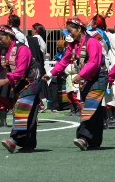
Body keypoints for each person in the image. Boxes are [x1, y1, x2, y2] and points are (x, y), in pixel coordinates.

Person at [45, 17, 108, 151]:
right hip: (87, 79)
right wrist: (50, 73)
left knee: (89, 107)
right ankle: (95, 141)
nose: (69, 34)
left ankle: (83, 137)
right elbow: (64, 61)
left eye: (70, 31)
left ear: (79, 29)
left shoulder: (92, 42)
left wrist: (80, 75)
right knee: (95, 111)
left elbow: (94, 62)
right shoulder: (73, 45)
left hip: (98, 78)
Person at [0, 25, 42, 153]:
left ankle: (13, 140)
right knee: (27, 113)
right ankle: (27, 144)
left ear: (9, 36)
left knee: (21, 109)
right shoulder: (2, 50)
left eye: (1, 38)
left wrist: (6, 80)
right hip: (18, 83)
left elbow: (21, 71)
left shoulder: (22, 49)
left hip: (31, 82)